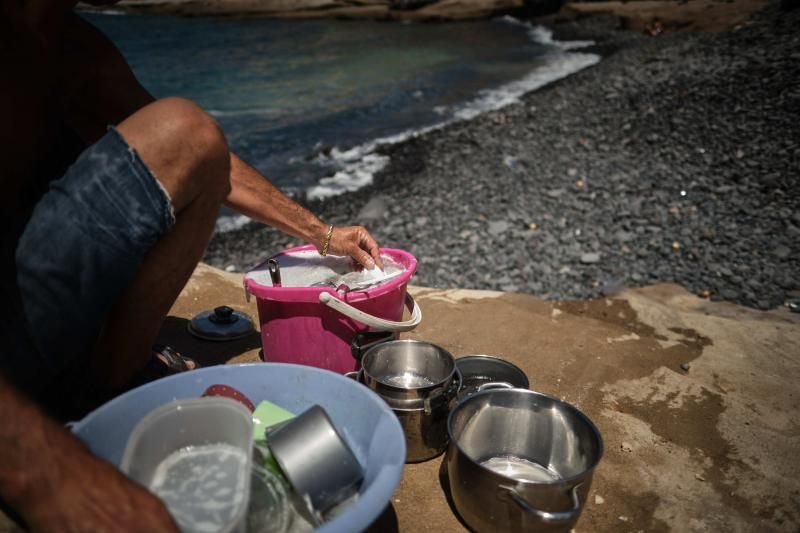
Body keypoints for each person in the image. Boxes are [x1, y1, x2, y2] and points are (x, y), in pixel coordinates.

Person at [0, 1, 383, 529]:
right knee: (184, 128)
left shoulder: (64, 40)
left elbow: (200, 158)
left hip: (31, 315)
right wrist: (41, 471)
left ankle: (107, 373)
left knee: (185, 132)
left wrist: (323, 235)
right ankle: (103, 383)